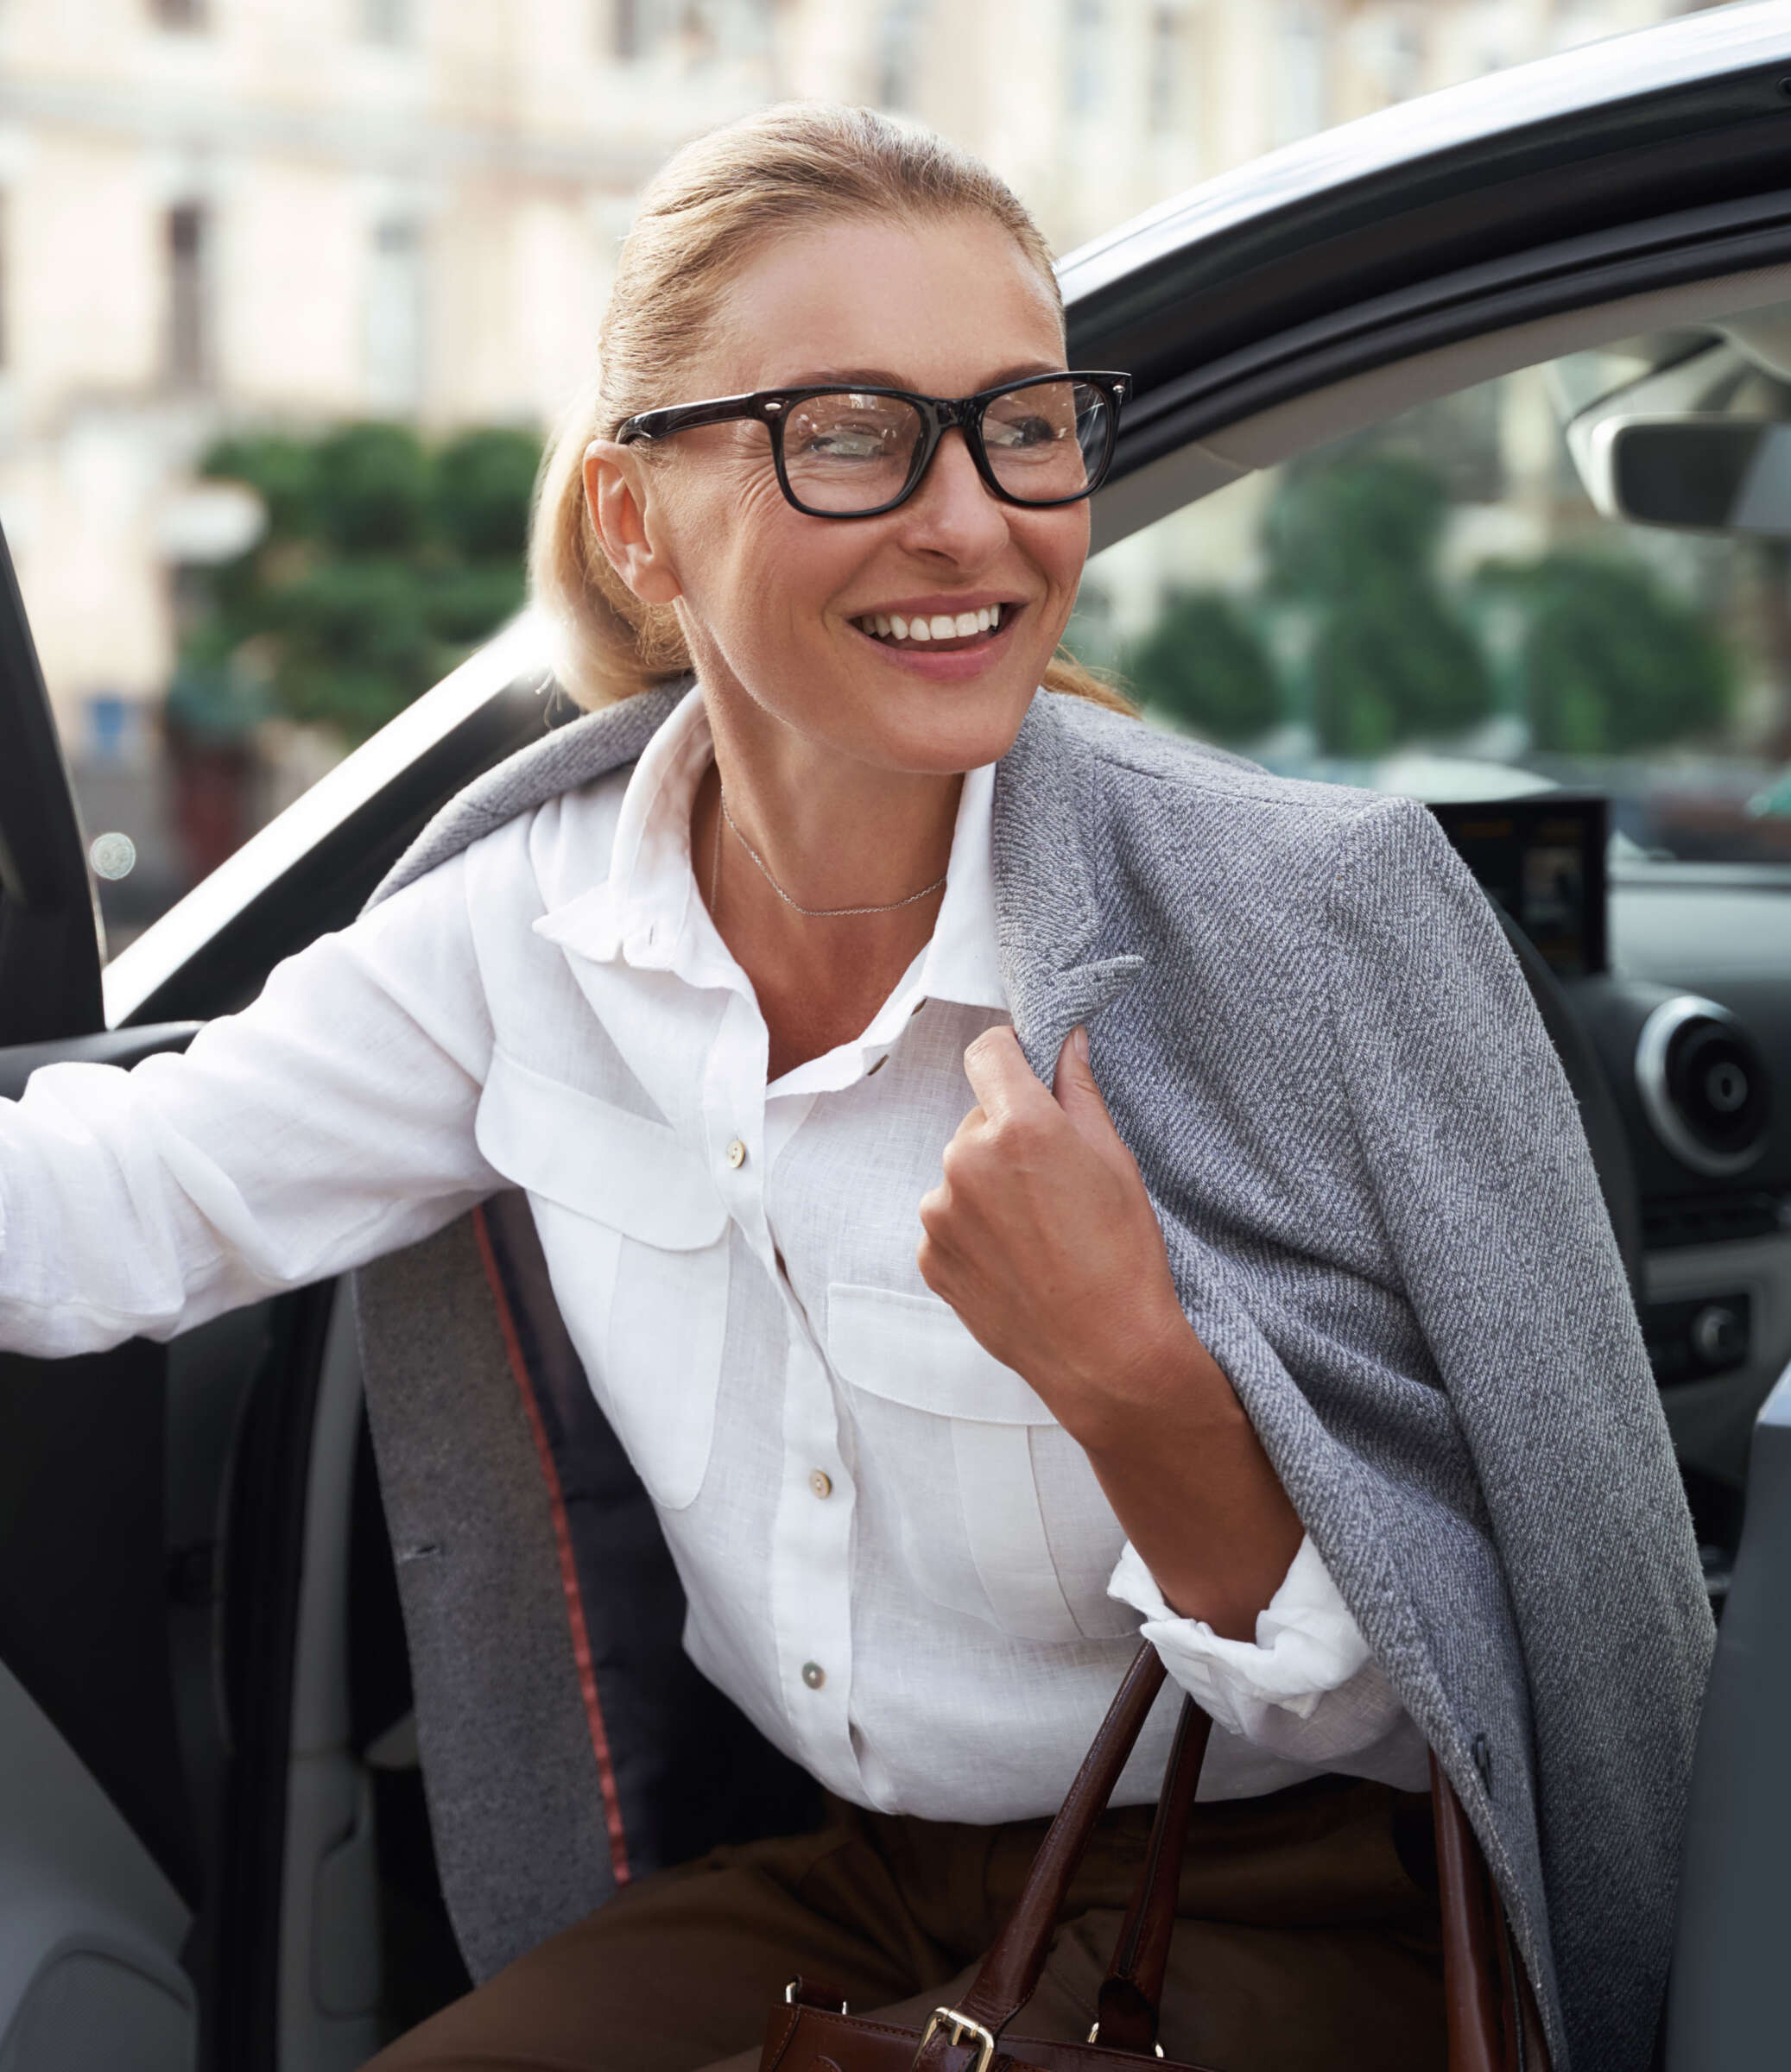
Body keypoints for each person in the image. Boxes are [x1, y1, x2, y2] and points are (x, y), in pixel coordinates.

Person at [0, 104, 1709, 2072]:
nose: (971, 516)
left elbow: (1519, 1686)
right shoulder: (519, 923)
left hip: (1292, 1887)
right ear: (640, 520)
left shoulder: (1301, 926)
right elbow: (111, 1200)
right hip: (838, 1869)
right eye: (850, 433)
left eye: (1024, 423)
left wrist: (1134, 1374)